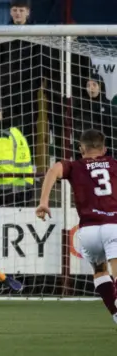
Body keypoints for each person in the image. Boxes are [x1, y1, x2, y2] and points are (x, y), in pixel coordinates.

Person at [36, 129, 117, 324]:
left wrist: (43, 202)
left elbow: (54, 169)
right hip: (113, 226)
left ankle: (115, 314)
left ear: (81, 149)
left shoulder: (75, 165)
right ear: (104, 149)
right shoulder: (114, 164)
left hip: (88, 232)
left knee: (100, 272)